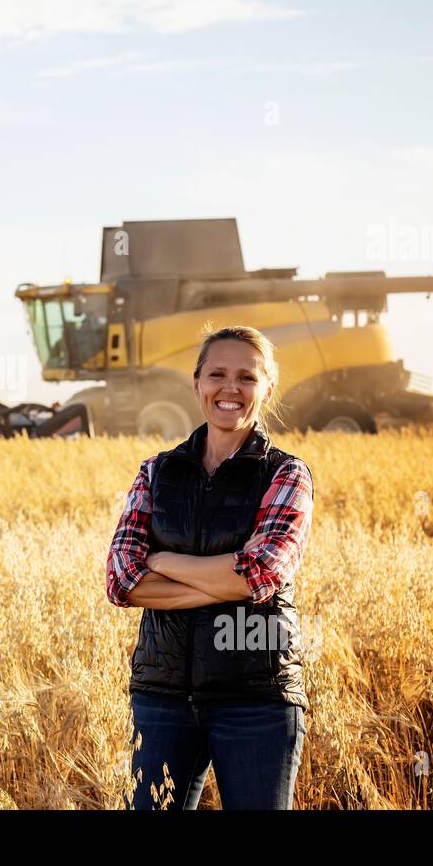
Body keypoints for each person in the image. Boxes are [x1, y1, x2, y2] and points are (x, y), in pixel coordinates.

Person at [105, 325, 314, 809]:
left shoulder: (286, 474)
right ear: (197, 383)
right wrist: (228, 581)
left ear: (267, 388)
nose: (230, 388)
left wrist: (162, 559)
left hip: (256, 699)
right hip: (162, 699)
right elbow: (120, 581)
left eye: (247, 377)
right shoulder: (156, 471)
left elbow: (260, 573)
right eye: (217, 373)